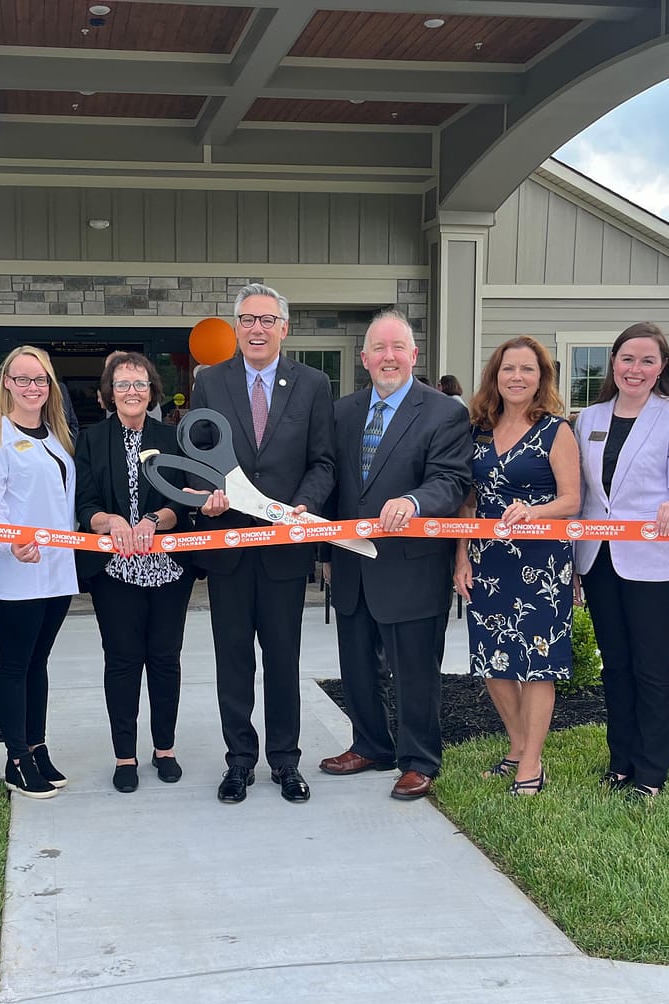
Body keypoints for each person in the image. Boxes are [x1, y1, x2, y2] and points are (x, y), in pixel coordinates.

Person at [191, 283, 335, 805]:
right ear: (236, 327)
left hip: (284, 548)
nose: (257, 328)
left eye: (267, 319)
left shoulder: (314, 384)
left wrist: (302, 506)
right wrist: (204, 495)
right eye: (248, 319)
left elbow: (323, 462)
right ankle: (239, 762)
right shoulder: (210, 382)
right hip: (229, 545)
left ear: (284, 327)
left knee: (282, 658)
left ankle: (285, 761)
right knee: (232, 659)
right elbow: (203, 454)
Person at [319, 311, 471, 800]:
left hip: (411, 565)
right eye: (378, 349)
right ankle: (370, 745)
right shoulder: (341, 412)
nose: (388, 357)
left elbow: (451, 481)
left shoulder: (444, 412)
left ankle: (418, 759)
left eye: (397, 347)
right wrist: (323, 546)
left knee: (414, 671)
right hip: (351, 564)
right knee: (356, 665)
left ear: (414, 355)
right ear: (364, 358)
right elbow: (331, 483)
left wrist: (414, 502)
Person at [572, 322, 669, 799]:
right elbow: (586, 498)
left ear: (662, 367)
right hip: (598, 558)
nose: (636, 368)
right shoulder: (588, 418)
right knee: (615, 665)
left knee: (650, 664)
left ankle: (651, 771)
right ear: (613, 362)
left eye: (648, 360)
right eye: (628, 358)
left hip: (654, 561)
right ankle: (621, 761)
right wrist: (573, 564)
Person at [454, 337, 580, 795]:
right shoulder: (477, 430)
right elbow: (467, 501)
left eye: (528, 369)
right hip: (487, 559)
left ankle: (531, 763)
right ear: (495, 375)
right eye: (509, 368)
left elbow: (572, 499)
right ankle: (516, 744)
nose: (517, 377)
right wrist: (461, 556)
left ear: (541, 378)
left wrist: (535, 511)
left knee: (538, 664)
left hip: (542, 564)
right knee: (494, 661)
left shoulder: (555, 430)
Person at [75, 351, 194, 792]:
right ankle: (125, 756)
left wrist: (153, 520)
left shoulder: (172, 436)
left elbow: (183, 497)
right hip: (114, 570)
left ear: (152, 391)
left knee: (165, 660)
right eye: (122, 384)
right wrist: (112, 522)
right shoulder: (90, 440)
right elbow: (83, 504)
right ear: (109, 393)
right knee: (123, 662)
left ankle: (165, 749)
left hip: (168, 569)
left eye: (140, 384)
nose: (131, 392)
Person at [0, 345, 78, 799]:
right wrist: (9, 542)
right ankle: (15, 760)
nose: (32, 388)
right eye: (23, 379)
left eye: (40, 380)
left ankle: (37, 747)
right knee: (15, 664)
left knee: (39, 663)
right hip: (17, 569)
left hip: (56, 570)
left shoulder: (58, 437)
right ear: (6, 385)